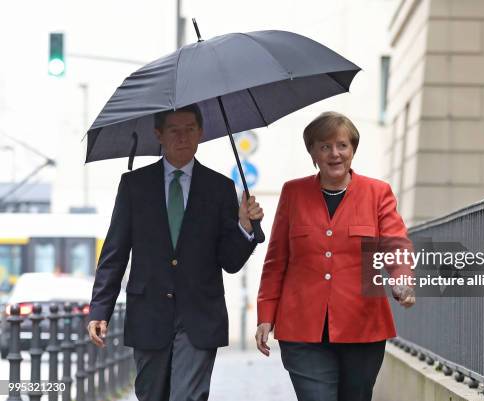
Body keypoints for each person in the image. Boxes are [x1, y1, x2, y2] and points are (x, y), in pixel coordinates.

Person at [88, 104, 263, 401]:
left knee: (188, 396)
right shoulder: (134, 185)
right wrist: (100, 309)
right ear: (159, 134)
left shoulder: (220, 187)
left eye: (190, 130)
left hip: (200, 316)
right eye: (174, 131)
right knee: (151, 394)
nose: (183, 137)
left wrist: (245, 227)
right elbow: (114, 252)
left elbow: (230, 262)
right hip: (149, 315)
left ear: (201, 133)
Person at [255, 111, 415, 401]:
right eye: (324, 146)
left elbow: (396, 244)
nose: (334, 154)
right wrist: (266, 315)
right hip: (301, 328)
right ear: (313, 153)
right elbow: (277, 260)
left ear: (353, 150)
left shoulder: (377, 192)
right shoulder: (293, 193)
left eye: (342, 145)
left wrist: (401, 278)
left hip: (363, 326)